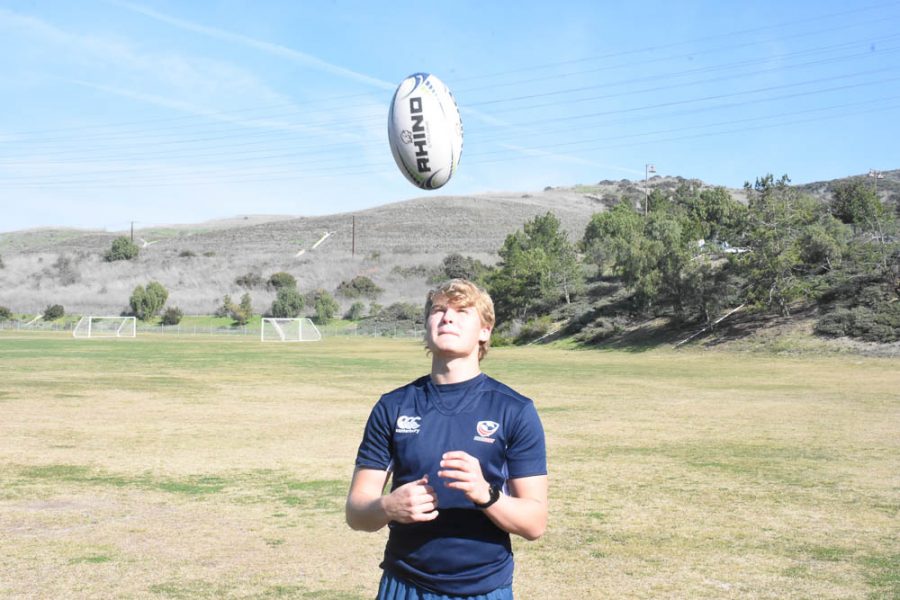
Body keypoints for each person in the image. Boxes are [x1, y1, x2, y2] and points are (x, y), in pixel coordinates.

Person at [345, 278, 548, 600]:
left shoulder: (515, 410)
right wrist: (388, 506)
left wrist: (486, 494)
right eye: (439, 310)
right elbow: (357, 513)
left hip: (484, 588)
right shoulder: (393, 406)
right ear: (427, 327)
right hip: (405, 585)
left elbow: (534, 524)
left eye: (462, 311)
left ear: (485, 331)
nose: (447, 317)